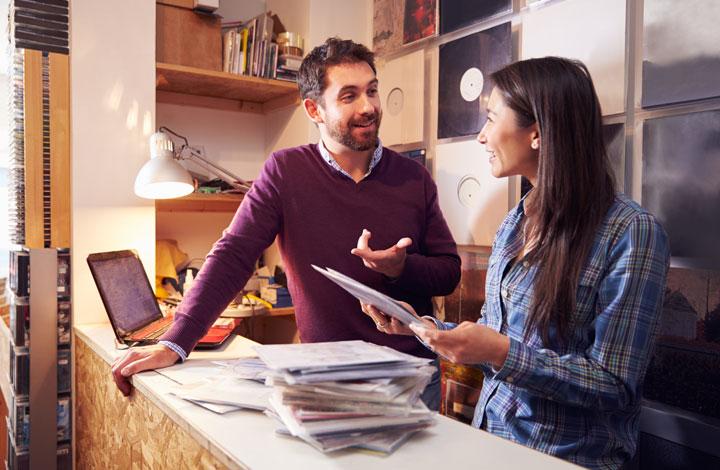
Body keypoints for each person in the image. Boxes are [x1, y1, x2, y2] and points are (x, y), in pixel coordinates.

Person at [111, 38, 461, 409]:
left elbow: (448, 273)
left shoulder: (413, 177)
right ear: (314, 109)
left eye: (372, 91)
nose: (368, 107)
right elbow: (233, 254)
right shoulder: (284, 171)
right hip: (324, 378)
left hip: (410, 378)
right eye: (349, 96)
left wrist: (401, 268)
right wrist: (176, 341)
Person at [362, 57, 670, 469]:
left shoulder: (632, 232)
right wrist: (426, 328)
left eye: (491, 119)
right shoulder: (516, 220)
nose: (482, 136)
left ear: (537, 133)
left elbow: (615, 385)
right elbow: (496, 333)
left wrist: (502, 353)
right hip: (491, 446)